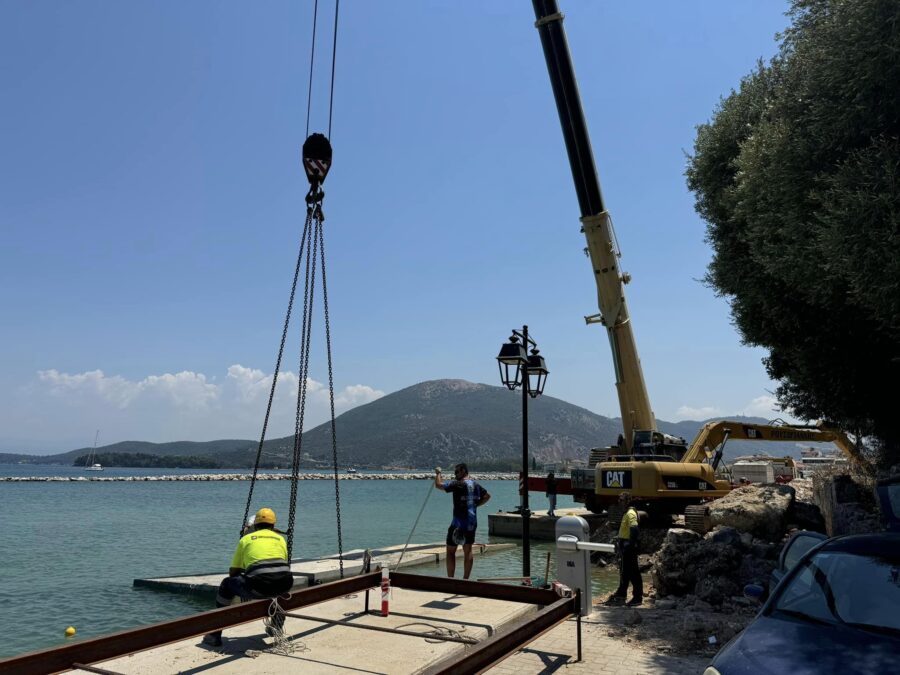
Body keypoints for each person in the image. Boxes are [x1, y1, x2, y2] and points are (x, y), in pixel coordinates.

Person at [203, 507, 294, 647]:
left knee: (226, 584)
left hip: (259, 587)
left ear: (255, 525)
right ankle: (276, 626)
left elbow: (233, 572)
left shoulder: (246, 539)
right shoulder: (281, 539)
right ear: (273, 525)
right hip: (285, 584)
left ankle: (215, 634)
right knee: (275, 580)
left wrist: (245, 574)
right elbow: (278, 566)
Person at [434, 463, 491, 579]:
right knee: (468, 550)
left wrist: (438, 473)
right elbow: (487, 496)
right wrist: (475, 505)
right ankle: (466, 580)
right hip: (471, 523)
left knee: (451, 551)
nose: (455, 474)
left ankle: (451, 579)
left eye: (457, 472)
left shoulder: (458, 484)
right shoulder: (475, 484)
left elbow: (438, 485)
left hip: (458, 524)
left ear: (463, 471)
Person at [608, 492, 642, 606]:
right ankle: (621, 594)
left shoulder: (630, 513)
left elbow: (634, 529)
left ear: (627, 501)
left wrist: (630, 545)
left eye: (621, 500)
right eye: (619, 499)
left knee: (633, 572)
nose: (619, 502)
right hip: (625, 546)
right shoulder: (626, 513)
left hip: (628, 547)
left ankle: (637, 597)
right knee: (625, 571)